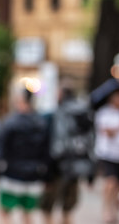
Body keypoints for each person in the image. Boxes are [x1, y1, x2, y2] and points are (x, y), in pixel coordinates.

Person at [0, 88, 50, 224]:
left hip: (12, 175)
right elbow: (47, 152)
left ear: (20, 100)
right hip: (34, 176)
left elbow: (0, 150)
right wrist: (47, 176)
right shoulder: (41, 123)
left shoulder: (10, 122)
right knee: (28, 213)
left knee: (5, 211)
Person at [41, 87, 94, 224]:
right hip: (76, 165)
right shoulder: (82, 112)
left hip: (57, 165)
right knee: (68, 205)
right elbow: (90, 140)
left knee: (49, 203)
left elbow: (52, 141)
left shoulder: (58, 114)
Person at [94, 89, 119, 223]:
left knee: (118, 184)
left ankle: (112, 208)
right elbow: (107, 132)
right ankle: (106, 209)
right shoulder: (104, 113)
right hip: (107, 154)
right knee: (110, 182)